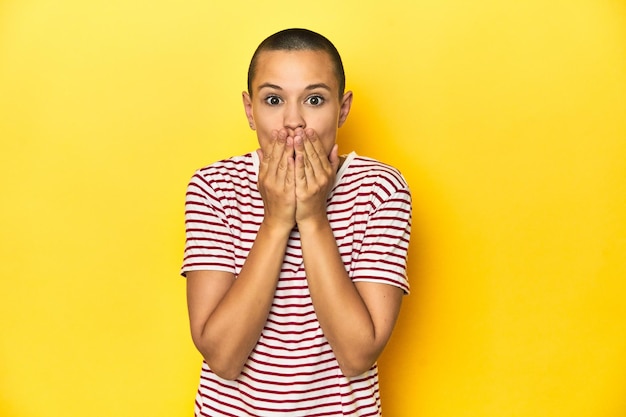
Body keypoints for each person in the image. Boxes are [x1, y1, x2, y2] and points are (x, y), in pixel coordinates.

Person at [181, 28, 412, 416]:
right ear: (250, 110)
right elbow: (222, 357)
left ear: (342, 108)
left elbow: (357, 355)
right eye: (273, 100)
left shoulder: (380, 189)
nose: (293, 122)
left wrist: (311, 215)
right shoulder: (213, 187)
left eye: (315, 100)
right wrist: (275, 222)